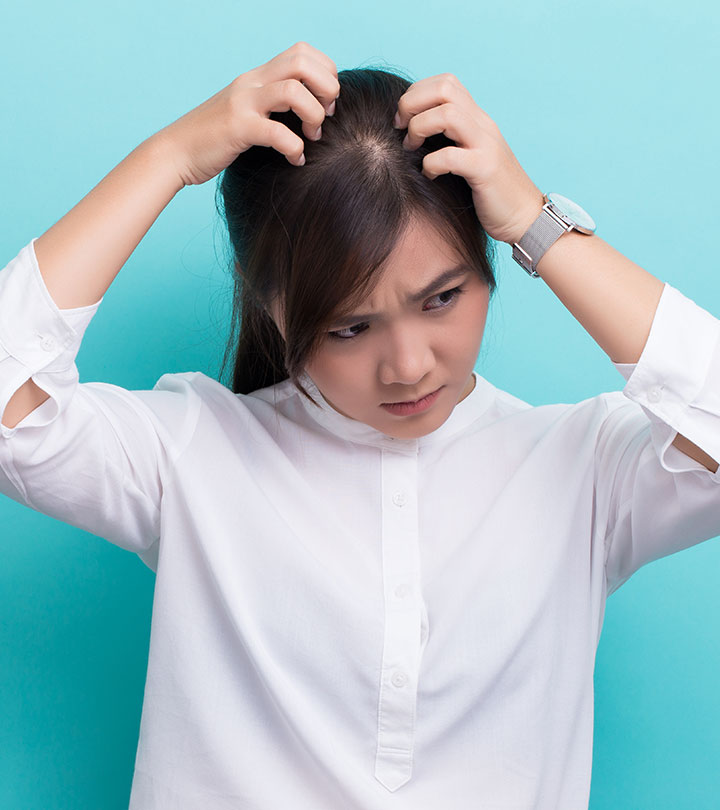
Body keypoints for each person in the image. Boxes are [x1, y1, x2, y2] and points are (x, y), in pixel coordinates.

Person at [1, 39, 718, 810]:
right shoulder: (194, 453)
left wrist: (534, 223)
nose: (408, 365)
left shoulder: (583, 469)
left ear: (488, 262)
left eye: (441, 297)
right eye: (350, 328)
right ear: (274, 307)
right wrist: (171, 156)